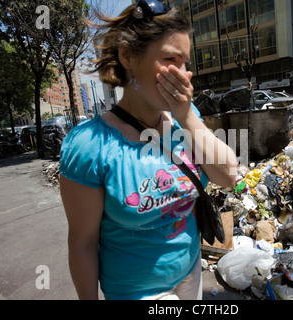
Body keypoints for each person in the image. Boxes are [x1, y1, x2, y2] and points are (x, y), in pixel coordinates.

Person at [59, 0, 238, 300]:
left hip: (191, 273)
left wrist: (186, 116)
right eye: (171, 59)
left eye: (185, 63)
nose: (184, 75)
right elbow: (82, 244)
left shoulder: (184, 117)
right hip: (137, 291)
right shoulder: (89, 145)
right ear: (128, 56)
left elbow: (229, 175)